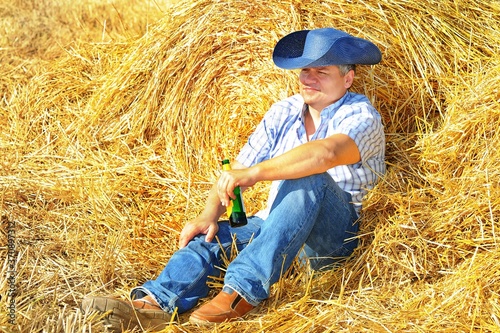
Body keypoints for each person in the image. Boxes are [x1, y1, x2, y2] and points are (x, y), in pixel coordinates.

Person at [82, 27, 385, 331]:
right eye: (305, 69)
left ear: (348, 78)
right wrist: (208, 214)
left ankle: (242, 291)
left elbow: (326, 154)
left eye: (322, 71)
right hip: (274, 227)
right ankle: (152, 305)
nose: (308, 78)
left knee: (310, 177)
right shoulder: (284, 112)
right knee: (210, 239)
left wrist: (255, 174)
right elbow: (235, 168)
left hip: (330, 240)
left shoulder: (362, 115)